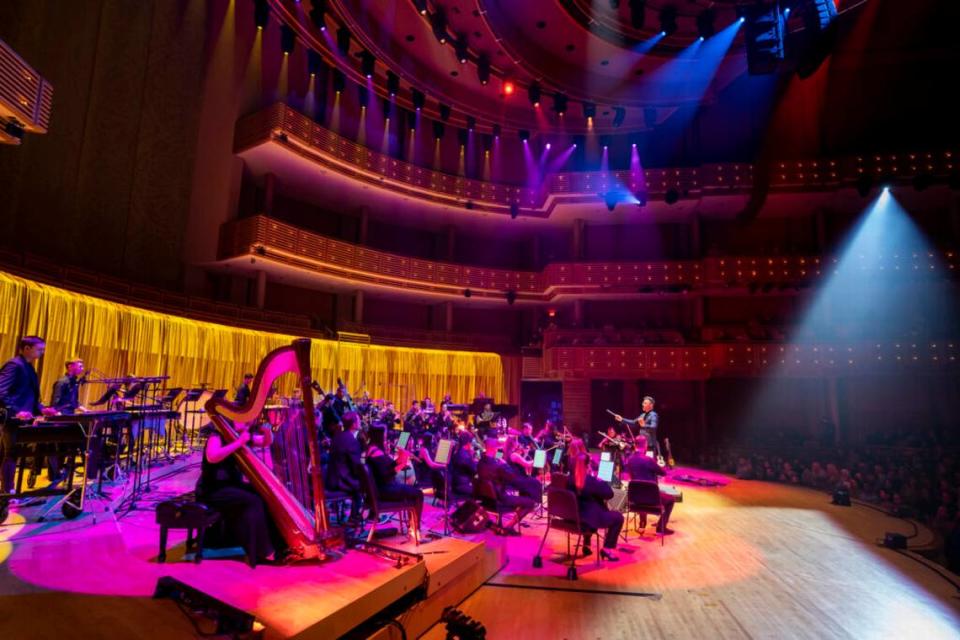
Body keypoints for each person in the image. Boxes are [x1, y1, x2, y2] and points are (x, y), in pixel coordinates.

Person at [197, 418, 283, 566]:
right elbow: (212, 457)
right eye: (244, 420)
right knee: (253, 501)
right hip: (213, 489)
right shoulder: (217, 435)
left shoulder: (240, 435)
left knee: (262, 495)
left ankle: (277, 544)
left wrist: (268, 431)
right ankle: (262, 551)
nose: (248, 423)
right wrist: (239, 443)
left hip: (231, 486)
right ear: (232, 419)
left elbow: (265, 442)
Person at [0, 337, 58, 496]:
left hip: (25, 418)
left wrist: (42, 409)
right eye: (39, 349)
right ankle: (7, 492)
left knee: (14, 453)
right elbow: (1, 391)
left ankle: (8, 490)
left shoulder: (29, 367)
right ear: (26, 348)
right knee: (10, 453)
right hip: (13, 418)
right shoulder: (14, 365)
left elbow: (30, 396)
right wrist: (16, 411)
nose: (42, 352)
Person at [566, 438, 622, 561]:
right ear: (587, 466)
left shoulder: (569, 480)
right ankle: (607, 549)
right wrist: (600, 481)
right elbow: (609, 494)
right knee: (618, 517)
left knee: (595, 506)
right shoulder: (591, 481)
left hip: (573, 517)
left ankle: (586, 543)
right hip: (587, 520)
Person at [365, 426, 424, 538]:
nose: (386, 437)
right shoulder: (376, 452)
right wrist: (401, 463)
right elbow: (387, 475)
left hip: (381, 488)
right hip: (383, 490)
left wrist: (400, 460)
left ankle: (412, 526)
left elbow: (387, 468)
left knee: (412, 492)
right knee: (418, 494)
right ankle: (415, 528)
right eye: (385, 434)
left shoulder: (372, 449)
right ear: (379, 435)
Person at [477, 438, 536, 533]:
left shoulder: (480, 462)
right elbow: (512, 477)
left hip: (486, 500)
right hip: (500, 500)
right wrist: (505, 464)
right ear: (494, 448)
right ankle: (509, 526)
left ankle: (515, 511)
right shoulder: (498, 465)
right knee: (531, 503)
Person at [623, 435, 675, 534]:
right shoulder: (648, 460)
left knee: (642, 491)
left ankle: (642, 523)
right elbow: (663, 473)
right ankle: (661, 527)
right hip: (652, 499)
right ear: (645, 445)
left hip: (634, 498)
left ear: (635, 445)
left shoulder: (630, 460)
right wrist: (661, 466)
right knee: (671, 499)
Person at [324, 411, 365, 523]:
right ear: (353, 424)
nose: (360, 422)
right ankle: (355, 518)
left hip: (331, 478)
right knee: (365, 485)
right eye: (358, 420)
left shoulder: (338, 437)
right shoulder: (352, 441)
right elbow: (356, 467)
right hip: (342, 481)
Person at [612, 396, 661, 460]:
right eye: (643, 403)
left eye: (645, 403)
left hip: (649, 444)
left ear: (651, 405)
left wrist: (644, 425)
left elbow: (654, 427)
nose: (642, 404)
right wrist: (621, 419)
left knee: (649, 462)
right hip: (642, 444)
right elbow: (633, 423)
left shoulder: (653, 415)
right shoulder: (642, 415)